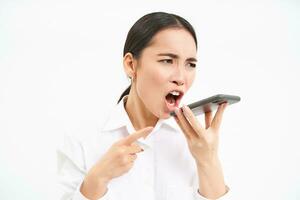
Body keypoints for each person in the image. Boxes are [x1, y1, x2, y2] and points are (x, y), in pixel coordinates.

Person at [57, 12, 230, 200]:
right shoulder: (83, 139)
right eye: (167, 61)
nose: (181, 78)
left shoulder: (202, 142)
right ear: (131, 65)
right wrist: (98, 178)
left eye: (190, 64)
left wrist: (208, 160)